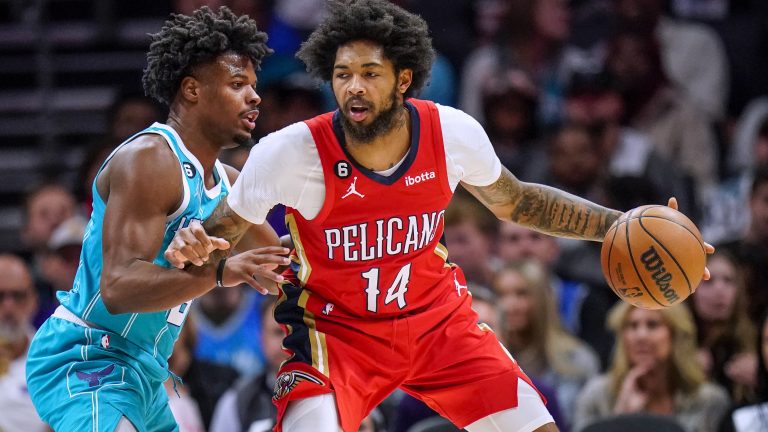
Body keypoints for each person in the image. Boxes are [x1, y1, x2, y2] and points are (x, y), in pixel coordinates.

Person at [165, 1, 712, 431]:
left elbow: (517, 201)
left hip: (438, 325)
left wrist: (616, 224)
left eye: (370, 73)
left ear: (403, 80)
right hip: (338, 339)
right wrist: (195, 243)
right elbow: (223, 230)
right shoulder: (288, 154)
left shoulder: (452, 133)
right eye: (342, 73)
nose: (353, 86)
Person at [24, 7, 288, 432]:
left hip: (146, 371)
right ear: (192, 90)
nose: (255, 97)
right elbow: (118, 289)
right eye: (238, 84)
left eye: (254, 86)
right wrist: (218, 272)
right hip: (88, 355)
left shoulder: (230, 184)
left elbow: (284, 269)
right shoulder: (149, 159)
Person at [573, 302, 730, 432]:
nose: (641, 336)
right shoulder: (597, 396)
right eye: (632, 326)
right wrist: (622, 419)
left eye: (653, 325)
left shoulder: (710, 401)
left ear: (675, 335)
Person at [690, 250, 757, 404]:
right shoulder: (670, 336)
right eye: (708, 281)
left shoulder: (757, 339)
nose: (719, 290)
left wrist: (761, 377)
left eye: (728, 281)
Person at [0, 254, 48, 432]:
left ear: (34, 300)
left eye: (18, 296)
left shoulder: (55, 361)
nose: (9, 307)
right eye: (0, 296)